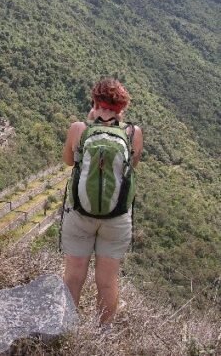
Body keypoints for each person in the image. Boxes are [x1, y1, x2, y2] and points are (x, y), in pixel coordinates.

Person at [61, 78, 143, 325]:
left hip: (79, 215)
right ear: (122, 108)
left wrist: (88, 123)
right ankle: (103, 335)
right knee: (107, 282)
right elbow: (132, 167)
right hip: (116, 218)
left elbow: (68, 160)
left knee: (74, 276)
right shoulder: (133, 133)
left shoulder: (78, 129)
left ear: (94, 102)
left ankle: (67, 330)